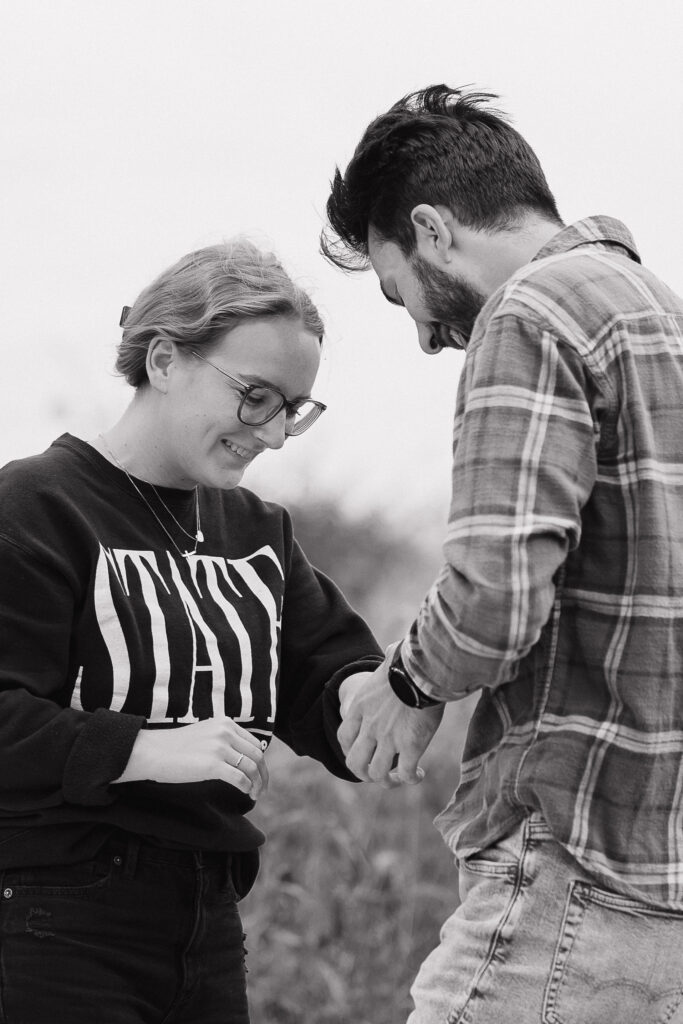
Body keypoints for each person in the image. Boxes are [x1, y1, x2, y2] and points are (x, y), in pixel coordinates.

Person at [321, 84, 683, 1022]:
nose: (425, 334)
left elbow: (491, 601)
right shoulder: (655, 310)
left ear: (433, 229)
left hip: (573, 863)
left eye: (402, 291)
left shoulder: (529, 313)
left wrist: (399, 687)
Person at [0, 238, 384, 1023]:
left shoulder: (257, 530)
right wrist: (143, 748)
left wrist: (416, 688)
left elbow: (331, 681)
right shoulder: (35, 508)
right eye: (254, 396)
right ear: (166, 358)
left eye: (290, 411)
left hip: (207, 928)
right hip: (50, 925)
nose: (271, 434)